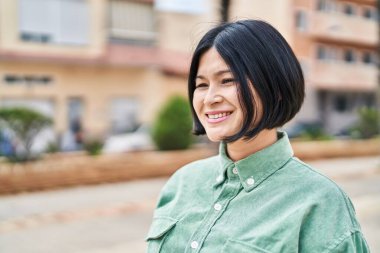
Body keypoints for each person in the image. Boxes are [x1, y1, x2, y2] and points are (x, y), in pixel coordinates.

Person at [146, 20, 370, 252]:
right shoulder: (182, 183)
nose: (210, 98)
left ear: (276, 88)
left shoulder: (319, 202)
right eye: (201, 85)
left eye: (227, 81)